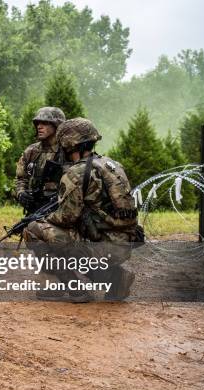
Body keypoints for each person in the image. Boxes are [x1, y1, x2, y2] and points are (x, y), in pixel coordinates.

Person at [24, 118, 142, 301]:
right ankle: (115, 278)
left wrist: (44, 218)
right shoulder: (111, 164)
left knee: (33, 229)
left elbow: (66, 218)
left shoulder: (76, 173)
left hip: (101, 247)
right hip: (124, 244)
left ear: (69, 144)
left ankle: (77, 290)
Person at [15, 107, 66, 213]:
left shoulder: (67, 151)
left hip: (61, 208)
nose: (39, 127)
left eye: (45, 123)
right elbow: (21, 178)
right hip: (36, 208)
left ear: (57, 125)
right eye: (37, 123)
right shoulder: (31, 151)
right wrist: (21, 193)